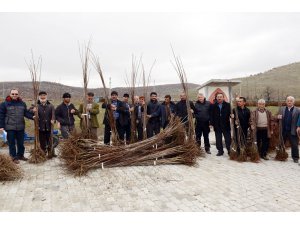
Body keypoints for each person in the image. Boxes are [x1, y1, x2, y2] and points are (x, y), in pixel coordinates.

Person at [0, 88, 34, 163]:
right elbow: (1, 116)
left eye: (16, 94)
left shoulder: (22, 103)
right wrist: (1, 126)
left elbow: (26, 113)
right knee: (11, 143)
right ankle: (13, 157)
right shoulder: (4, 104)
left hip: (20, 126)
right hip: (9, 127)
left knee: (21, 143)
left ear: (18, 95)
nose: (14, 95)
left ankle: (20, 155)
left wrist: (33, 117)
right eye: (13, 94)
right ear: (10, 94)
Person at [277, 96, 300, 163]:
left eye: (291, 101)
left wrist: (298, 126)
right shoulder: (282, 109)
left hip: (292, 130)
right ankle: (281, 155)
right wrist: (278, 117)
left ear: (293, 102)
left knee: (294, 144)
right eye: (288, 101)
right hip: (283, 130)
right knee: (281, 143)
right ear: (286, 102)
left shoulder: (297, 110)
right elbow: (277, 117)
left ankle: (295, 158)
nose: (289, 102)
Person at [37, 91, 56, 157]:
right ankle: (43, 153)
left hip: (49, 126)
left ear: (46, 96)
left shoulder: (51, 106)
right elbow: (30, 111)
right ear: (39, 97)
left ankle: (51, 153)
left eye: (44, 95)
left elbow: (53, 114)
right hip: (40, 127)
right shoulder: (36, 106)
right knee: (42, 141)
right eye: (41, 96)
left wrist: (53, 119)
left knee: (50, 140)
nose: (42, 97)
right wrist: (33, 111)